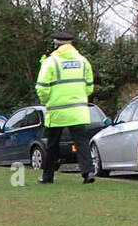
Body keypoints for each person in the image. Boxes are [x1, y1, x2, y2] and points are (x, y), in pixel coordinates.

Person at [34, 31, 96, 184]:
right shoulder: (83, 61)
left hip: (57, 111)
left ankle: (48, 176)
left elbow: (42, 87)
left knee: (52, 145)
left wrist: (46, 100)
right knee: (82, 143)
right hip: (78, 111)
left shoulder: (51, 62)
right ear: (71, 44)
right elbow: (89, 86)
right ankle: (88, 173)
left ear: (56, 45)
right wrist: (80, 98)